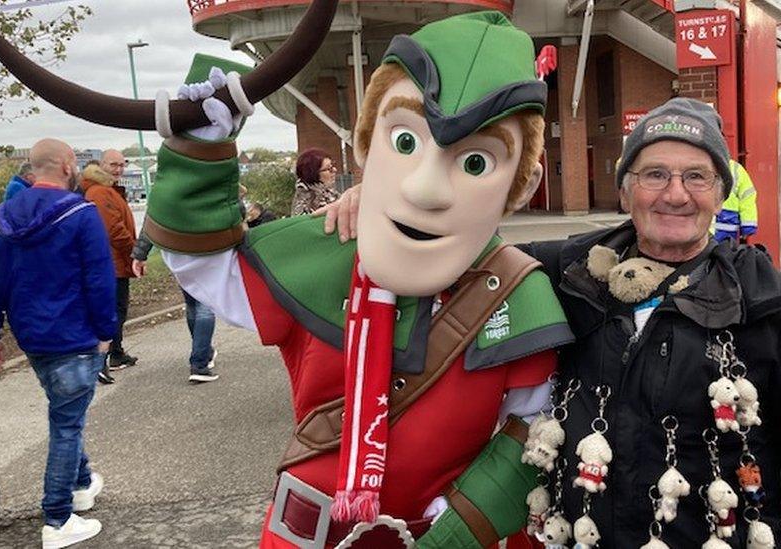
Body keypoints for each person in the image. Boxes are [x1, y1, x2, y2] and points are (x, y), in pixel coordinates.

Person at [326, 97, 781, 547]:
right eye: (654, 175)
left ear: (720, 192)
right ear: (625, 190)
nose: (675, 194)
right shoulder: (567, 271)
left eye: (697, 176)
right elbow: (452, 260)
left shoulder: (763, 299)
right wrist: (383, 210)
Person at [142, 17, 573, 547]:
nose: (426, 188)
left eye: (477, 160)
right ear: (368, 144)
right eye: (407, 140)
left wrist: (460, 528)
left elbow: (531, 431)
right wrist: (201, 153)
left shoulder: (519, 291)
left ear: (522, 185)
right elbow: (205, 264)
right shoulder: (326, 251)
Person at [0, 138, 115, 548]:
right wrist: (106, 332)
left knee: (65, 413)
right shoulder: (82, 215)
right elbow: (99, 278)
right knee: (66, 425)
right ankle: (58, 519)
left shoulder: (2, 216)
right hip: (75, 335)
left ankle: (81, 485)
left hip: (32, 336)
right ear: (67, 165)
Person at [131, 232, 219, 383]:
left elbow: (152, 220)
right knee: (205, 304)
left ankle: (205, 352)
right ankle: (199, 363)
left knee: (192, 303)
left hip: (178, 252)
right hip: (205, 247)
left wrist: (140, 254)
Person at [83, 150, 138, 379]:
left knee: (118, 310)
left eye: (121, 165)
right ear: (101, 165)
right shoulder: (100, 192)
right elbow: (113, 229)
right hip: (110, 262)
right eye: (113, 165)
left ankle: (116, 353)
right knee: (113, 311)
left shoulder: (107, 190)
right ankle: (101, 361)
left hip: (116, 261)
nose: (118, 169)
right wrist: (135, 251)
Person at [713, 159, 757, 243]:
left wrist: (748, 225)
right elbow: (747, 197)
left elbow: (747, 196)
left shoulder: (700, 162)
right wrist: (748, 226)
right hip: (728, 223)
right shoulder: (735, 168)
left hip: (725, 224)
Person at [291, 147, 341, 215]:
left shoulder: (329, 192)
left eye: (332, 166)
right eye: (328, 168)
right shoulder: (306, 203)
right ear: (313, 174)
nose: (335, 170)